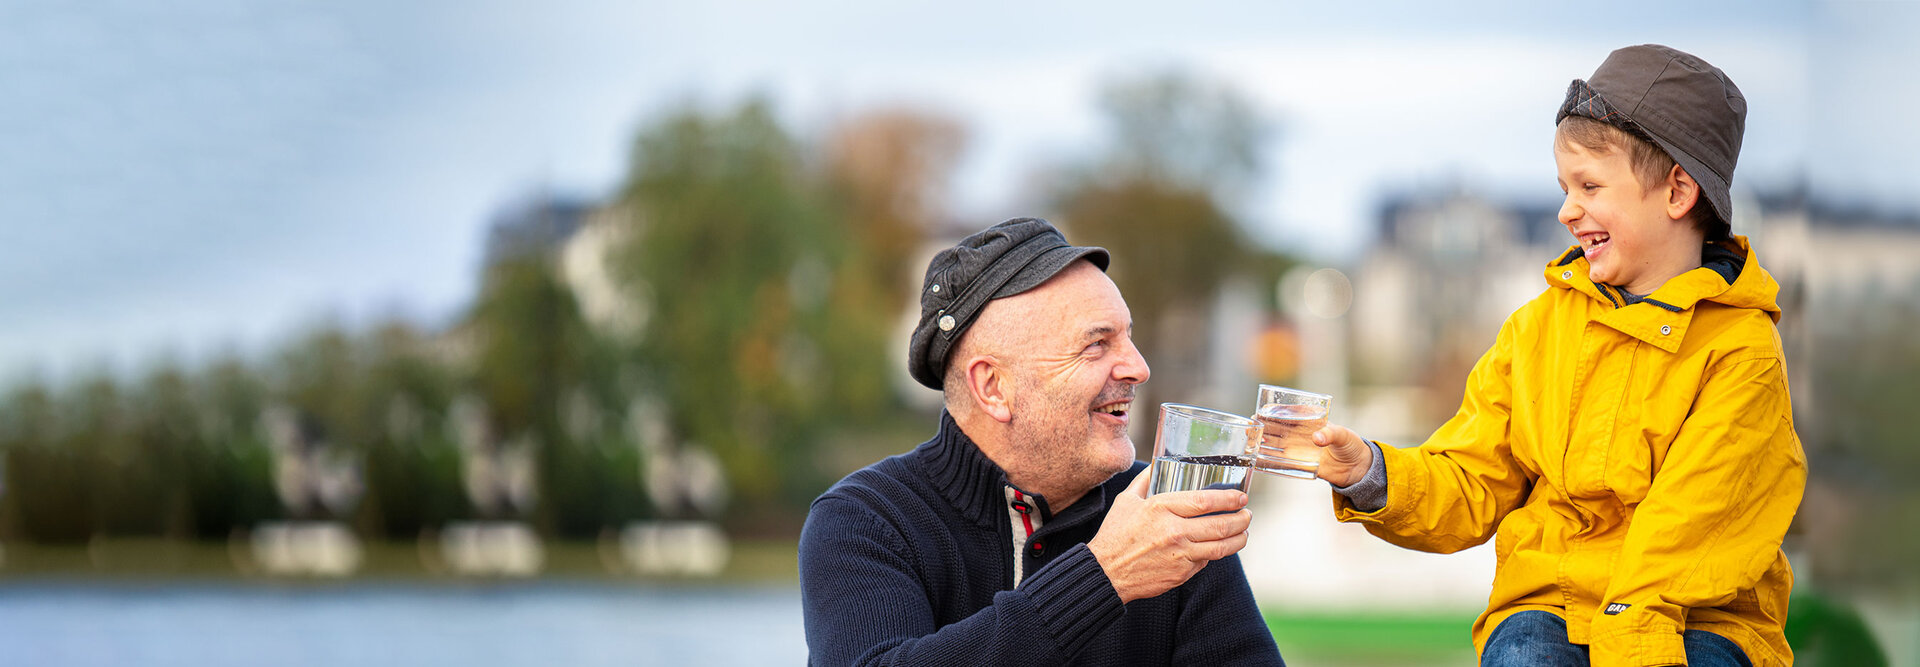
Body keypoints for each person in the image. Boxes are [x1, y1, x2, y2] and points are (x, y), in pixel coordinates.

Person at [1300, 45, 1805, 667]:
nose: (1568, 210)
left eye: (1590, 186)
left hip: (1697, 617)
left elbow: (1690, 533)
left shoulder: (1741, 352)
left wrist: (1626, 646)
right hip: (1551, 605)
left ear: (1677, 192)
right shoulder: (1536, 329)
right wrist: (1371, 474)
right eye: (1565, 188)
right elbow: (1472, 477)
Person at [800, 218, 1284, 666]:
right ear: (993, 387)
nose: (1139, 367)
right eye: (1097, 344)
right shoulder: (866, 520)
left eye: (1128, 338)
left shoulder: (1163, 517)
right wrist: (1106, 576)